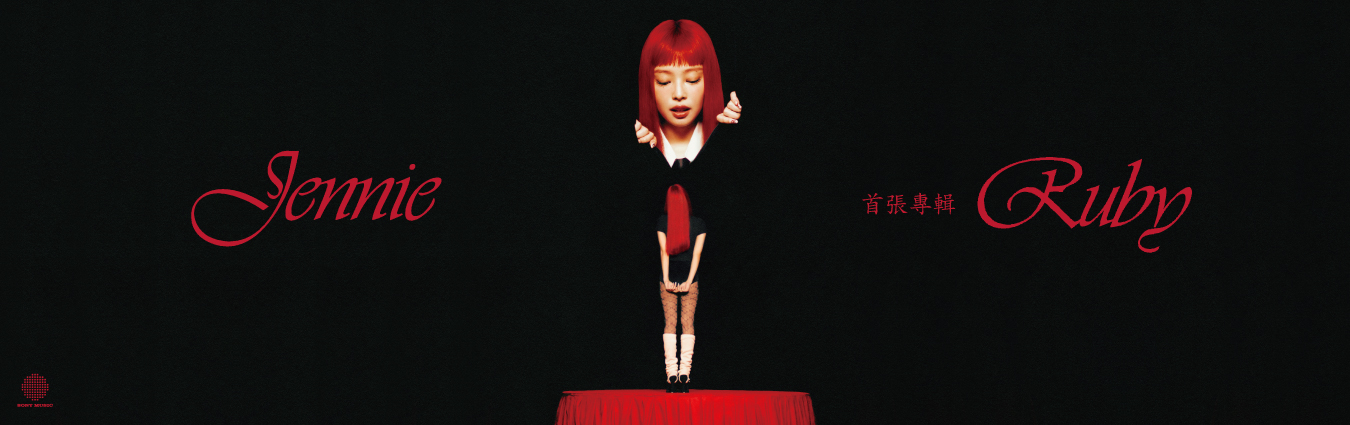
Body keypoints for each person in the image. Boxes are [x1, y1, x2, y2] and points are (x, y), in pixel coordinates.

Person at [657, 184, 705, 393]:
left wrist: (667, 279)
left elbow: (664, 252)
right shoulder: (699, 224)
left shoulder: (662, 221)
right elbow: (696, 255)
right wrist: (689, 281)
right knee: (687, 324)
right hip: (689, 279)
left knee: (670, 323)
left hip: (668, 277)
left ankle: (671, 375)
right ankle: (685, 374)